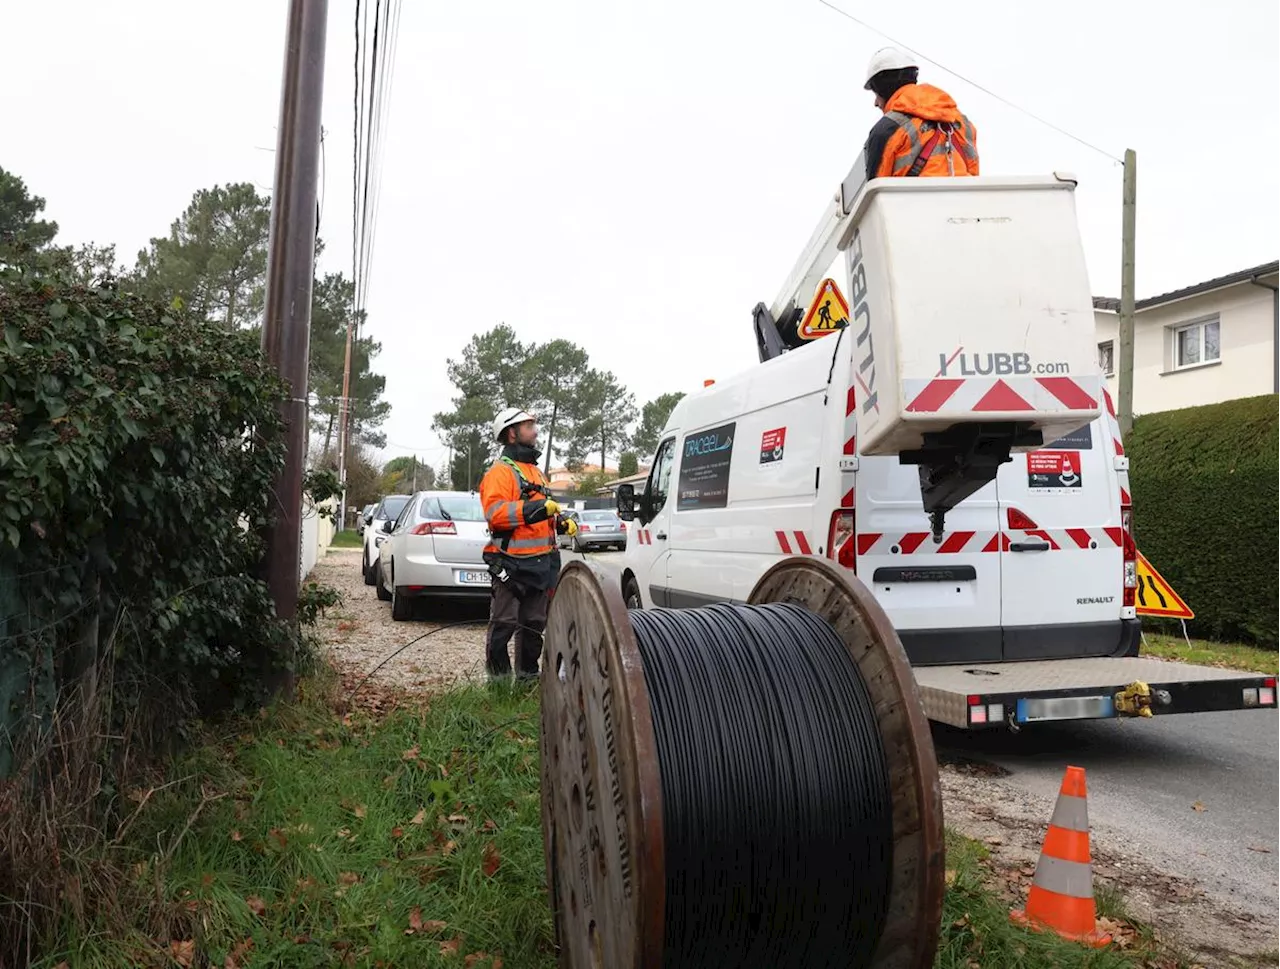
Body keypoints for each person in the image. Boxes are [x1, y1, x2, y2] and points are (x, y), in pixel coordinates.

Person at [479, 406, 577, 680]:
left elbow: (543, 511)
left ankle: (527, 681)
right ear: (512, 433)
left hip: (540, 565)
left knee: (534, 626)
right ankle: (499, 685)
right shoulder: (500, 473)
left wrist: (559, 522)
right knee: (504, 625)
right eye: (528, 426)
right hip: (510, 565)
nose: (535, 431)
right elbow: (496, 514)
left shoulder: (535, 472)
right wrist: (535, 510)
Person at [862, 47, 979, 182]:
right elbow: (973, 179)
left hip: (913, 203)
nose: (876, 103)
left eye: (876, 95)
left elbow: (876, 194)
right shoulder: (963, 123)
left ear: (883, 89)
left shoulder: (887, 129)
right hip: (962, 201)